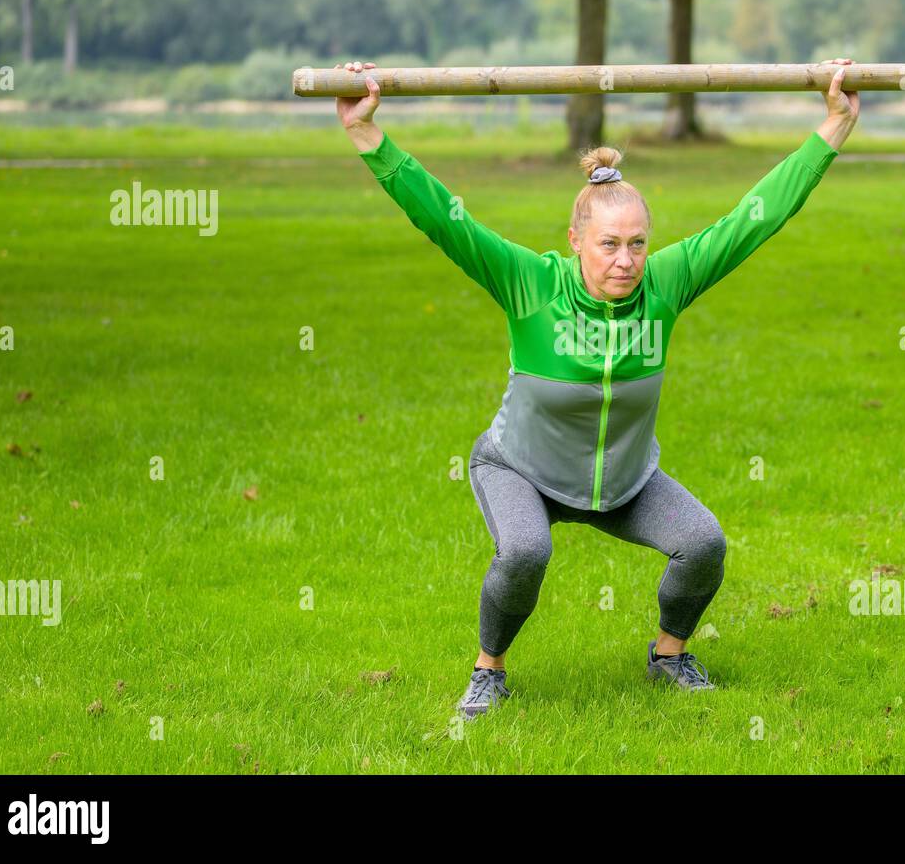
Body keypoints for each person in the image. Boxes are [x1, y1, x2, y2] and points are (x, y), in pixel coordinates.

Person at [335, 57, 860, 718]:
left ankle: (669, 655)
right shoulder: (529, 283)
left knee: (703, 545)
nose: (625, 260)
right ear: (576, 240)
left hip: (623, 480)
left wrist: (833, 126)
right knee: (526, 550)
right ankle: (488, 669)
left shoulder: (666, 284)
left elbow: (753, 219)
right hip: (520, 467)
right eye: (609, 244)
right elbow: (445, 219)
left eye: (638, 244)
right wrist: (367, 137)